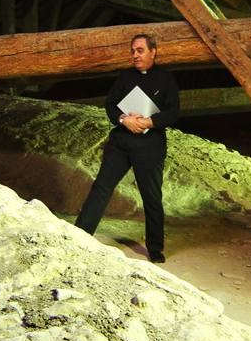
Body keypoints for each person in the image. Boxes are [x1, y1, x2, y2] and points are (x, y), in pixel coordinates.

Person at [75, 33, 179, 262]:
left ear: (153, 51)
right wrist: (124, 120)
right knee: (101, 187)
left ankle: (155, 249)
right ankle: (80, 234)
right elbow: (110, 104)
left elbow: (173, 113)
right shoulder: (125, 77)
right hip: (121, 143)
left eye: (140, 50)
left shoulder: (166, 79)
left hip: (149, 146)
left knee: (151, 197)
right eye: (132, 51)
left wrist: (150, 122)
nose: (135, 55)